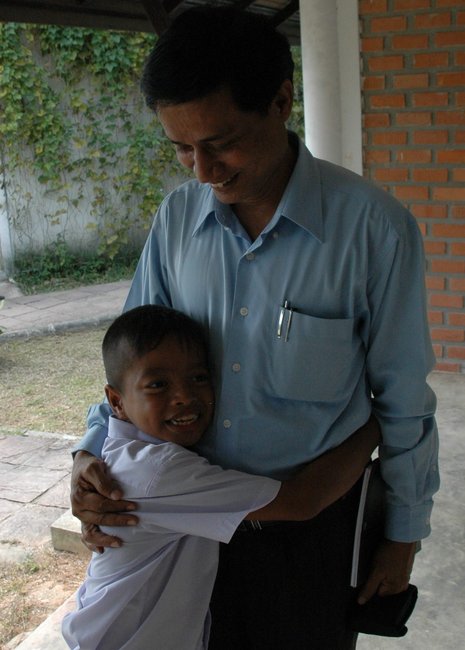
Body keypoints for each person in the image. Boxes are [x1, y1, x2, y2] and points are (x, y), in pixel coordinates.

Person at [70, 6, 439, 649]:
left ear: (281, 101)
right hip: (190, 528)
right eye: (182, 148)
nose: (203, 171)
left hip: (313, 529)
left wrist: (402, 535)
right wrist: (88, 455)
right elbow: (133, 362)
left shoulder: (373, 231)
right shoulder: (177, 221)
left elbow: (403, 400)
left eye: (220, 143)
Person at [63, 304, 380, 650]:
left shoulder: (126, 451)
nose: (184, 396)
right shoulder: (158, 472)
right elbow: (303, 501)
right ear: (117, 402)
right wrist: (378, 424)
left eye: (199, 377)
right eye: (157, 384)